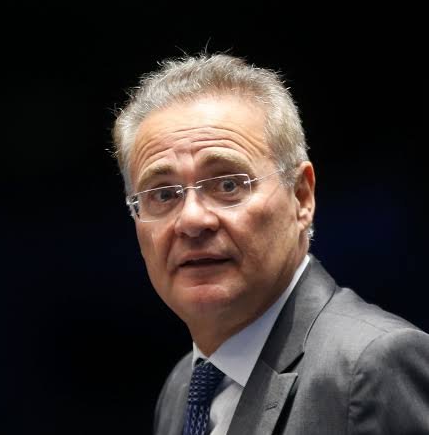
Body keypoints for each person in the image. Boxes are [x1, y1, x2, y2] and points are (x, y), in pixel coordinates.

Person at [110, 52, 429, 435]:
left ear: (301, 196)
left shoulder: (372, 367)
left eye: (228, 184)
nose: (192, 220)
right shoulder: (183, 387)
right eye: (162, 194)